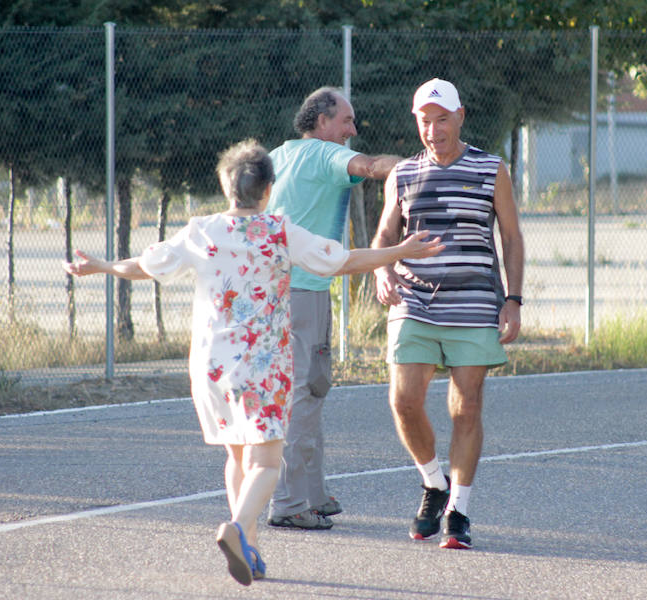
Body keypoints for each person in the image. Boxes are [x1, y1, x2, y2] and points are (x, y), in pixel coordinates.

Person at [62, 140, 442, 585]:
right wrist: (401, 251)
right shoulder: (279, 231)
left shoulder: (202, 230)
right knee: (267, 462)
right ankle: (239, 529)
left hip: (212, 365)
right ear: (269, 189)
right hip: (262, 363)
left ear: (227, 188)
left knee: (237, 453)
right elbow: (341, 261)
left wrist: (102, 266)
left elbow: (147, 265)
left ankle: (252, 549)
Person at [371, 78, 525, 549]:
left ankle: (458, 509)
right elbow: (383, 236)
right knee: (404, 400)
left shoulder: (491, 168)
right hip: (415, 300)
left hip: (475, 302)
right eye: (424, 121)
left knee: (467, 407)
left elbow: (512, 239)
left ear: (460, 116)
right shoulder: (403, 174)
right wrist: (381, 271)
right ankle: (433, 483)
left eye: (442, 119)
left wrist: (513, 300)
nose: (433, 130)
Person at [265, 87, 402, 530]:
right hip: (303, 291)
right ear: (322, 121)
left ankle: (313, 492)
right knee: (305, 392)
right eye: (347, 121)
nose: (353, 129)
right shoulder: (324, 154)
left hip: (276, 290)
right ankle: (288, 502)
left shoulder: (278, 156)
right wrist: (420, 166)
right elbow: (370, 166)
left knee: (311, 387)